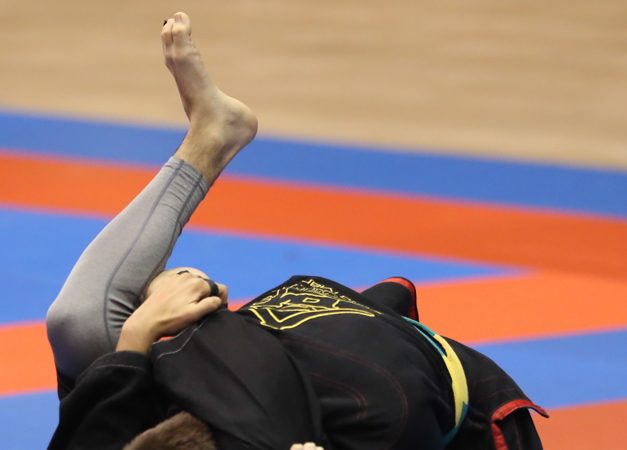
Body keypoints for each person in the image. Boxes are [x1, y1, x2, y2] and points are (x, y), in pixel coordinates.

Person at [46, 12, 547, 450]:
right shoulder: (368, 412)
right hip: (418, 399)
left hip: (266, 368)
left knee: (79, 322)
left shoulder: (206, 386)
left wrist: (141, 331)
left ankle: (211, 137)